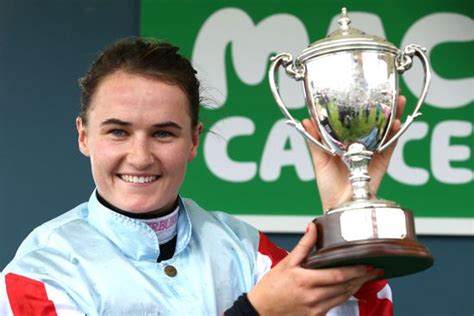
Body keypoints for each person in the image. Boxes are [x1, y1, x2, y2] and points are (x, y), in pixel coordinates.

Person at [0, 37, 404, 316]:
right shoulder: (41, 274)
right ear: (84, 136)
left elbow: (354, 308)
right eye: (118, 131)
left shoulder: (243, 247)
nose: (140, 157)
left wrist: (345, 208)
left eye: (163, 133)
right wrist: (254, 313)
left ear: (194, 141)